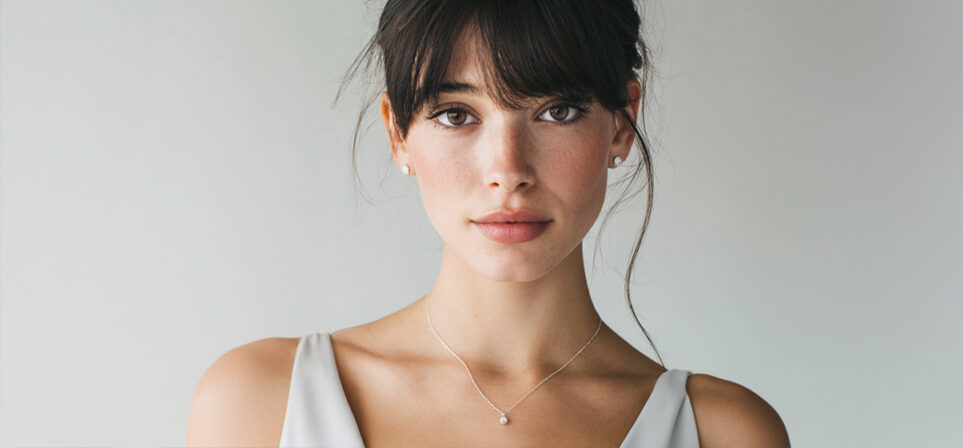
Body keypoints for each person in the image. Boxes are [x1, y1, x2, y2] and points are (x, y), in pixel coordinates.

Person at [187, 1, 790, 446]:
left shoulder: (724, 434)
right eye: (456, 115)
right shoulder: (259, 404)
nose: (508, 171)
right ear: (398, 133)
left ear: (621, 123)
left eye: (557, 110)